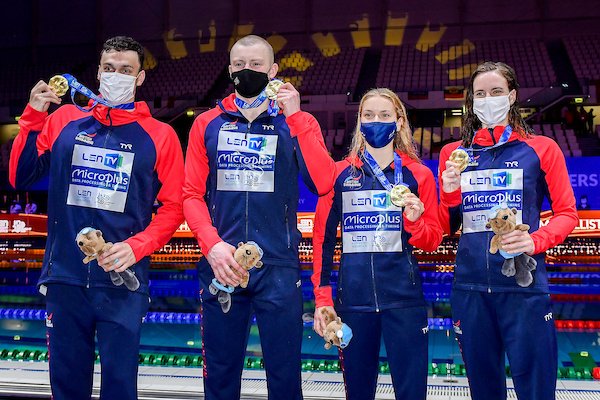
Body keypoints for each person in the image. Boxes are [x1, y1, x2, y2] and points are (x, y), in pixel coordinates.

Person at [9, 36, 185, 400]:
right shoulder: (64, 121)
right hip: (66, 278)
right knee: (67, 386)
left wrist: (138, 247)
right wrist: (32, 117)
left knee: (120, 388)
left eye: (125, 70)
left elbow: (174, 206)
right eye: (108, 68)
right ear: (98, 71)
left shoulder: (160, 136)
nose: (115, 76)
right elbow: (20, 176)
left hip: (123, 281)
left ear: (140, 78)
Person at [182, 35, 335, 400]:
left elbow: (323, 182)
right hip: (221, 264)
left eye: (255, 65)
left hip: (278, 268)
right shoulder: (207, 123)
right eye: (239, 65)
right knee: (219, 376)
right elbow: (190, 195)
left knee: (284, 379)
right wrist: (213, 247)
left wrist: (295, 117)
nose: (246, 71)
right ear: (230, 68)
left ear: (273, 70)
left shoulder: (296, 122)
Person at [439, 61, 578, 400]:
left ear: (512, 96)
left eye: (497, 92)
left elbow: (567, 214)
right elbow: (446, 225)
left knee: (535, 390)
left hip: (523, 289)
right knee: (484, 391)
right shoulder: (453, 154)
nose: (488, 99)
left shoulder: (542, 148)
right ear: (471, 101)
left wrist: (534, 240)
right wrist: (448, 191)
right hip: (470, 288)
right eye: (480, 94)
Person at [311, 88, 442, 400]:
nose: (376, 121)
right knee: (357, 392)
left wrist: (414, 218)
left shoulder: (418, 175)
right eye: (368, 116)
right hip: (353, 304)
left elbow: (433, 240)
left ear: (398, 122)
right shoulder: (341, 175)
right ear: (360, 122)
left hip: (404, 302)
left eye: (384, 115)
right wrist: (322, 298)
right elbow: (323, 240)